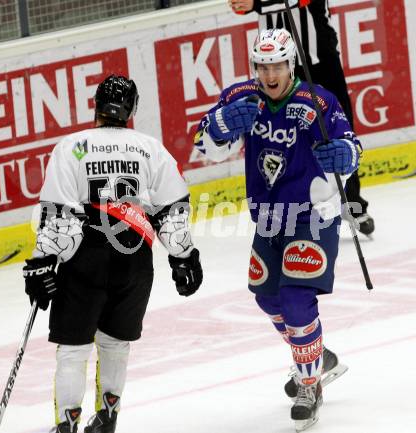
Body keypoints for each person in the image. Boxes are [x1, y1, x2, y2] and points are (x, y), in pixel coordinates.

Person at [194, 28, 358, 430]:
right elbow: (203, 146)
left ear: (291, 65)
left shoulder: (318, 101)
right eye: (262, 66)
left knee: (296, 298)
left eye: (277, 66)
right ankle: (320, 357)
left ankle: (309, 384)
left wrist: (344, 156)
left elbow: (351, 145)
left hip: (312, 213)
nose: (269, 75)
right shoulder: (240, 98)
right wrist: (218, 125)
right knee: (268, 300)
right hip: (268, 217)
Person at [23, 75, 203, 433]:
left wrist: (43, 261)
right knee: (116, 344)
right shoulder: (150, 148)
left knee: (74, 349)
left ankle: (66, 424)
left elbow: (59, 213)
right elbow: (173, 209)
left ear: (96, 105)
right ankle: (107, 417)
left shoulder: (73, 146)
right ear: (132, 110)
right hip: (134, 258)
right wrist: (183, 257)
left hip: (84, 258)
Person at [229, 0, 375, 236]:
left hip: (318, 56)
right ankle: (292, 204)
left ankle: (351, 202)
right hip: (280, 61)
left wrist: (256, 3)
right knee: (285, 133)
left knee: (338, 129)